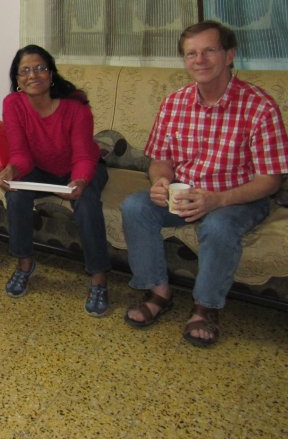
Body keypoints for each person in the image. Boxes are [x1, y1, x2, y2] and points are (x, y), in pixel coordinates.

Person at [121, 20, 288, 347]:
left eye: (209, 50)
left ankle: (205, 308)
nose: (199, 60)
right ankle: (158, 292)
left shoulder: (259, 106)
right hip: (186, 192)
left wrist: (218, 200)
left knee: (220, 227)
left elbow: (270, 180)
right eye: (191, 53)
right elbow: (159, 160)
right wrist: (162, 181)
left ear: (229, 56)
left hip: (239, 197)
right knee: (135, 206)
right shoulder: (175, 102)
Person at [0, 45, 111, 316]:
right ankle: (25, 263)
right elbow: (21, 155)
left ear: (51, 73)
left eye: (39, 68)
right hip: (40, 168)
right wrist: (11, 170)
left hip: (82, 166)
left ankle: (98, 278)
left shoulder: (76, 104)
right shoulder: (13, 104)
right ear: (17, 79)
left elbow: (83, 155)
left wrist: (80, 180)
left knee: (86, 201)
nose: (32, 75)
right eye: (24, 71)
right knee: (16, 194)